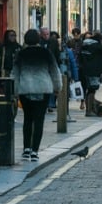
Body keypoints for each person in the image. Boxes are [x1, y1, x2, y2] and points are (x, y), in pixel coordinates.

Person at [11, 28, 62, 161]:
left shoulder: (20, 54)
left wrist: (14, 91)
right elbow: (55, 71)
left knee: (27, 119)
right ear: (39, 39)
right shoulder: (46, 53)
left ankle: (26, 149)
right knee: (39, 120)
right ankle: (35, 151)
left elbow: (15, 73)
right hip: (43, 88)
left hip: (26, 88)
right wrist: (58, 87)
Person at [79, 32, 102, 115]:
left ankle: (90, 108)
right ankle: (89, 110)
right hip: (94, 71)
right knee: (92, 89)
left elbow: (80, 57)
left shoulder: (84, 45)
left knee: (89, 89)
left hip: (85, 70)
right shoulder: (95, 46)